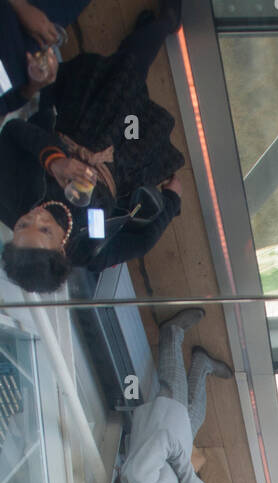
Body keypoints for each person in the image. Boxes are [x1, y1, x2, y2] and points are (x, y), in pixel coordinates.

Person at [0, 9, 185, 290]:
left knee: (124, 79)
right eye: (45, 230)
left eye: (23, 226)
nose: (35, 218)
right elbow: (142, 242)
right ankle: (160, 27)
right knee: (131, 99)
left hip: (76, 127)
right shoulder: (91, 250)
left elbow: (13, 132)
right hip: (126, 156)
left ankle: (153, 32)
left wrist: (55, 161)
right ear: (61, 251)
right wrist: (172, 202)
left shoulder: (9, 201)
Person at [111, 308, 231, 483]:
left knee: (173, 378)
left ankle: (172, 333)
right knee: (197, 411)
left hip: (165, 422)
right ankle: (202, 364)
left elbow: (163, 439)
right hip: (179, 442)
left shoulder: (138, 480)